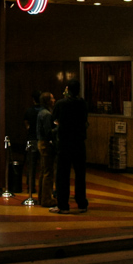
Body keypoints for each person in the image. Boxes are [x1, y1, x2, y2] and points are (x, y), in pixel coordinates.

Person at [51, 80, 89, 214]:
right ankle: (82, 203)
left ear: (67, 89)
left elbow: (53, 120)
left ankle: (63, 205)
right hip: (79, 142)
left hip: (65, 142)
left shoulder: (61, 103)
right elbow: (85, 120)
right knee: (80, 175)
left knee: (63, 174)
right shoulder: (83, 103)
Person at [36, 91, 57, 207]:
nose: (54, 100)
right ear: (48, 101)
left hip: (40, 143)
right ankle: (46, 199)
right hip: (46, 144)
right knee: (48, 173)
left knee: (43, 171)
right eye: (52, 98)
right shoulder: (48, 114)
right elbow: (49, 132)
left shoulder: (41, 112)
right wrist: (57, 128)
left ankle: (41, 197)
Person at [23, 90, 42, 193]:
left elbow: (26, 122)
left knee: (31, 165)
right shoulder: (44, 111)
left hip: (31, 139)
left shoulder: (29, 111)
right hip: (42, 140)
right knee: (43, 165)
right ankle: (43, 187)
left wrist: (29, 128)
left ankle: (30, 186)